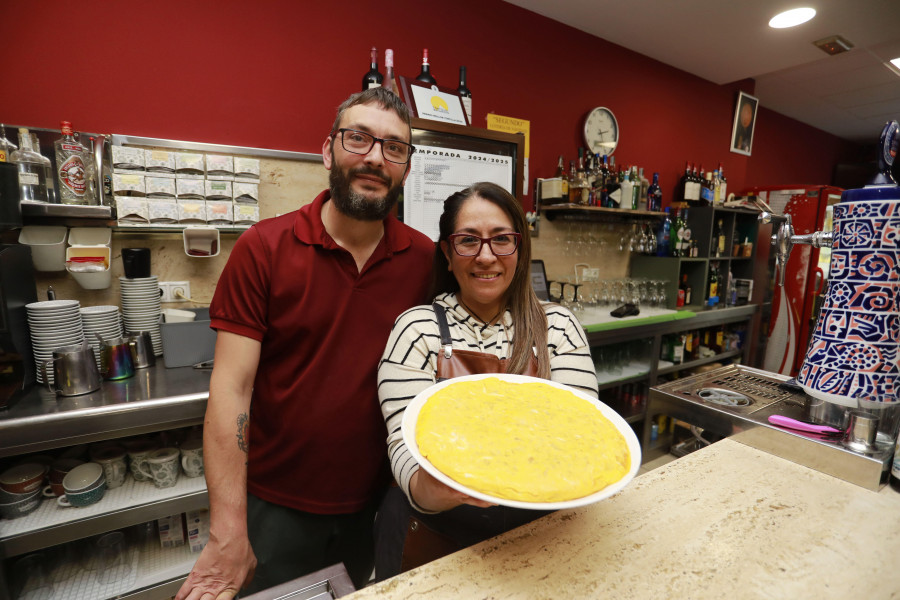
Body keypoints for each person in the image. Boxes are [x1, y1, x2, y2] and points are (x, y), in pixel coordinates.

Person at [175, 87, 435, 600]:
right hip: (276, 508)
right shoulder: (264, 249)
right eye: (358, 138)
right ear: (327, 150)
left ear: (406, 167)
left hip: (378, 503)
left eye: (393, 147)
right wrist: (228, 530)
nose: (374, 158)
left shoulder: (426, 261)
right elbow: (231, 390)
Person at [374, 182, 599, 580]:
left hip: (537, 534)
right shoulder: (416, 330)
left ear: (520, 247)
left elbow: (579, 436)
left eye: (501, 240)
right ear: (446, 251)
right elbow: (403, 445)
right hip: (434, 536)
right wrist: (432, 490)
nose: (485, 256)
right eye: (467, 241)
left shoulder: (558, 328)